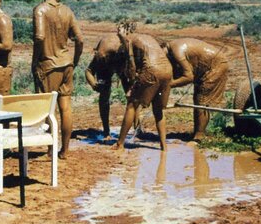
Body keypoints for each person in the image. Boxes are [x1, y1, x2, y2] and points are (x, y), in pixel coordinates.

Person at [32, 0, 83, 158]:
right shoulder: (67, 11)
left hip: (48, 65)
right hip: (66, 63)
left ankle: (51, 148)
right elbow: (80, 39)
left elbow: (39, 37)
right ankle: (65, 149)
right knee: (66, 108)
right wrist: (75, 60)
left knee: (49, 109)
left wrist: (35, 61)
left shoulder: (40, 10)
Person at [113, 21, 172, 151]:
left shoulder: (130, 41)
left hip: (152, 70)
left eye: (119, 32)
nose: (117, 35)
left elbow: (132, 66)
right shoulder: (147, 37)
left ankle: (120, 144)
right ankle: (164, 146)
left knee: (131, 105)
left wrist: (133, 86)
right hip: (167, 70)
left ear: (126, 31)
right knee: (158, 109)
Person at [165, 38, 230, 141]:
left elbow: (188, 77)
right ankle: (197, 132)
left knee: (201, 100)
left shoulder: (177, 51)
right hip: (206, 67)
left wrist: (168, 85)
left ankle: (199, 136)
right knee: (198, 99)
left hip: (216, 66)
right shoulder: (171, 48)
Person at [84, 34, 129, 139]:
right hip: (106, 65)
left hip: (123, 61)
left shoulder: (125, 56)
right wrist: (94, 85)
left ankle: (137, 128)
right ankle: (106, 131)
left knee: (131, 96)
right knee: (104, 94)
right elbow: (89, 71)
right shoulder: (102, 57)